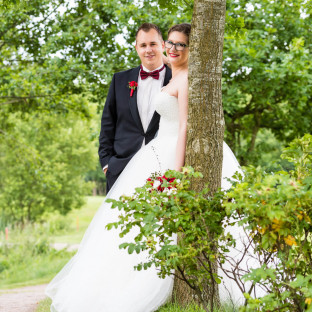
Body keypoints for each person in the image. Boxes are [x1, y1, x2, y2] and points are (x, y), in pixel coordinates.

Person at [45, 23, 242, 312]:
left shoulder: (184, 77)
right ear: (140, 47)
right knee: (129, 227)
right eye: (170, 44)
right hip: (134, 161)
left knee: (163, 223)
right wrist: (106, 163)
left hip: (169, 156)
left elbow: (185, 124)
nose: (171, 49)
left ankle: (166, 286)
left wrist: (174, 173)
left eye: (179, 45)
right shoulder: (129, 79)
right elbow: (107, 124)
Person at [98, 23, 172, 193]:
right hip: (121, 169)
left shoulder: (176, 79)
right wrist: (107, 164)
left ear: (162, 45)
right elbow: (107, 124)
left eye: (153, 44)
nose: (148, 50)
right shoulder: (119, 80)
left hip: (164, 169)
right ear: (136, 48)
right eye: (143, 45)